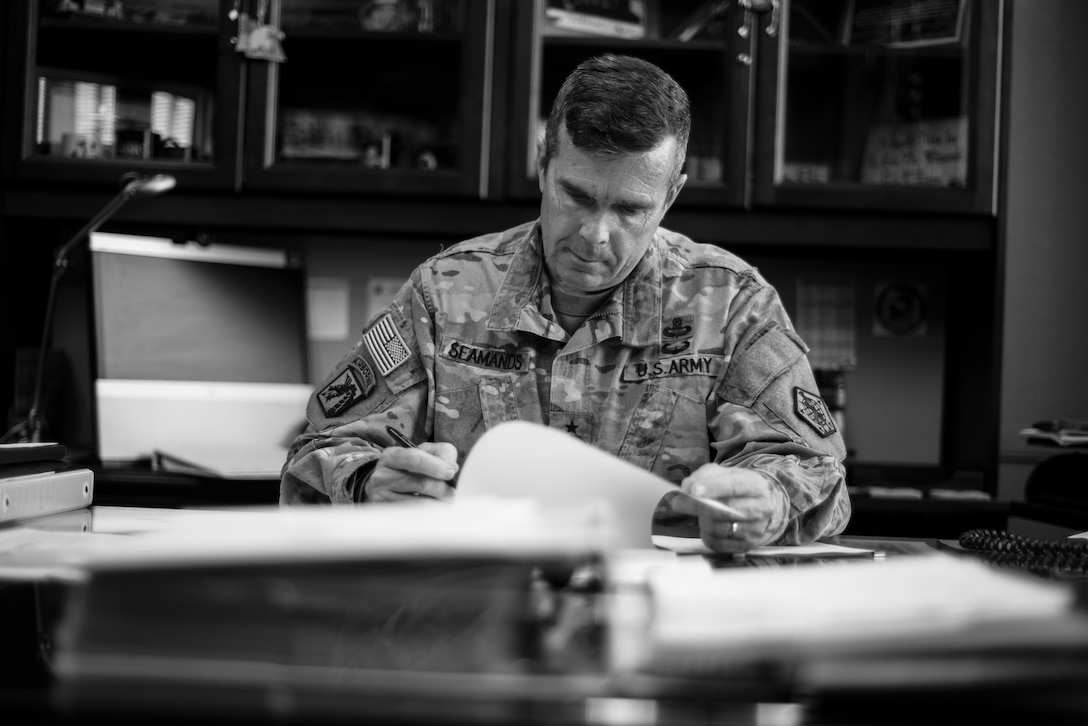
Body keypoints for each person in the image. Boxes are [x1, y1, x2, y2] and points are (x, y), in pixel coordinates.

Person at [281, 54, 851, 553]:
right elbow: (318, 451)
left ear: (671, 194)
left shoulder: (731, 304)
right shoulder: (444, 292)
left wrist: (768, 498)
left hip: (666, 613)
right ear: (544, 164)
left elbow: (816, 470)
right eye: (576, 196)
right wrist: (366, 482)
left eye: (630, 209)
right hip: (480, 605)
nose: (595, 235)